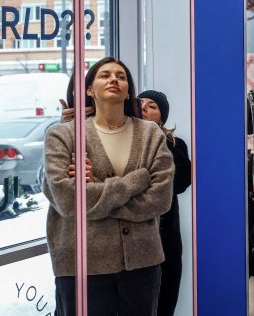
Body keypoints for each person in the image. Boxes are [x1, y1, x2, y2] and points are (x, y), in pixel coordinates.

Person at [42, 57, 174, 316]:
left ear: (128, 92)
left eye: (121, 76)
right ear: (89, 90)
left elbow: (160, 198)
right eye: (104, 75)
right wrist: (136, 181)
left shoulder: (151, 134)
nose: (114, 79)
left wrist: (95, 190)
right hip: (81, 264)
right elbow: (67, 200)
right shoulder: (63, 135)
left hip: (142, 262)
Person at [137, 90, 191, 316]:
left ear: (162, 118)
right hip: (134, 235)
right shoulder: (122, 140)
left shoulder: (174, 144)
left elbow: (182, 181)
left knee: (165, 300)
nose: (144, 108)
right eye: (140, 103)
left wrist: (156, 137)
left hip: (165, 235)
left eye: (152, 106)